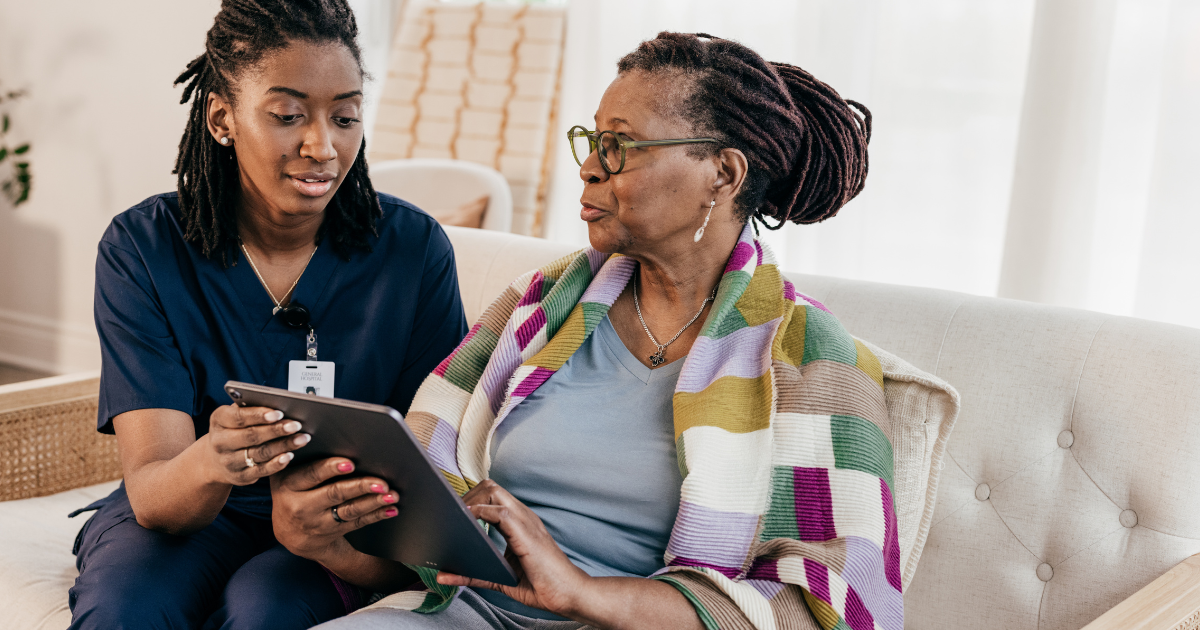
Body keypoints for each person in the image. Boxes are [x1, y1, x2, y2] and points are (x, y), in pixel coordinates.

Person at [296, 32, 901, 630]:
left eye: (621, 146)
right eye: (592, 140)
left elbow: (825, 608)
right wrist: (328, 543)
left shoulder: (816, 362)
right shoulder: (537, 307)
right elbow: (431, 545)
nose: (588, 168)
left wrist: (581, 592)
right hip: (461, 612)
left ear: (723, 173)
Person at [67, 1, 468, 628]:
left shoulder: (413, 252)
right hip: (194, 503)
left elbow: (436, 472)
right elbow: (156, 499)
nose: (322, 145)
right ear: (222, 119)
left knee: (265, 609)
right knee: (127, 607)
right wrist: (216, 457)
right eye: (287, 115)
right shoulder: (144, 248)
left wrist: (337, 532)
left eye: (345, 117)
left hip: (336, 526)